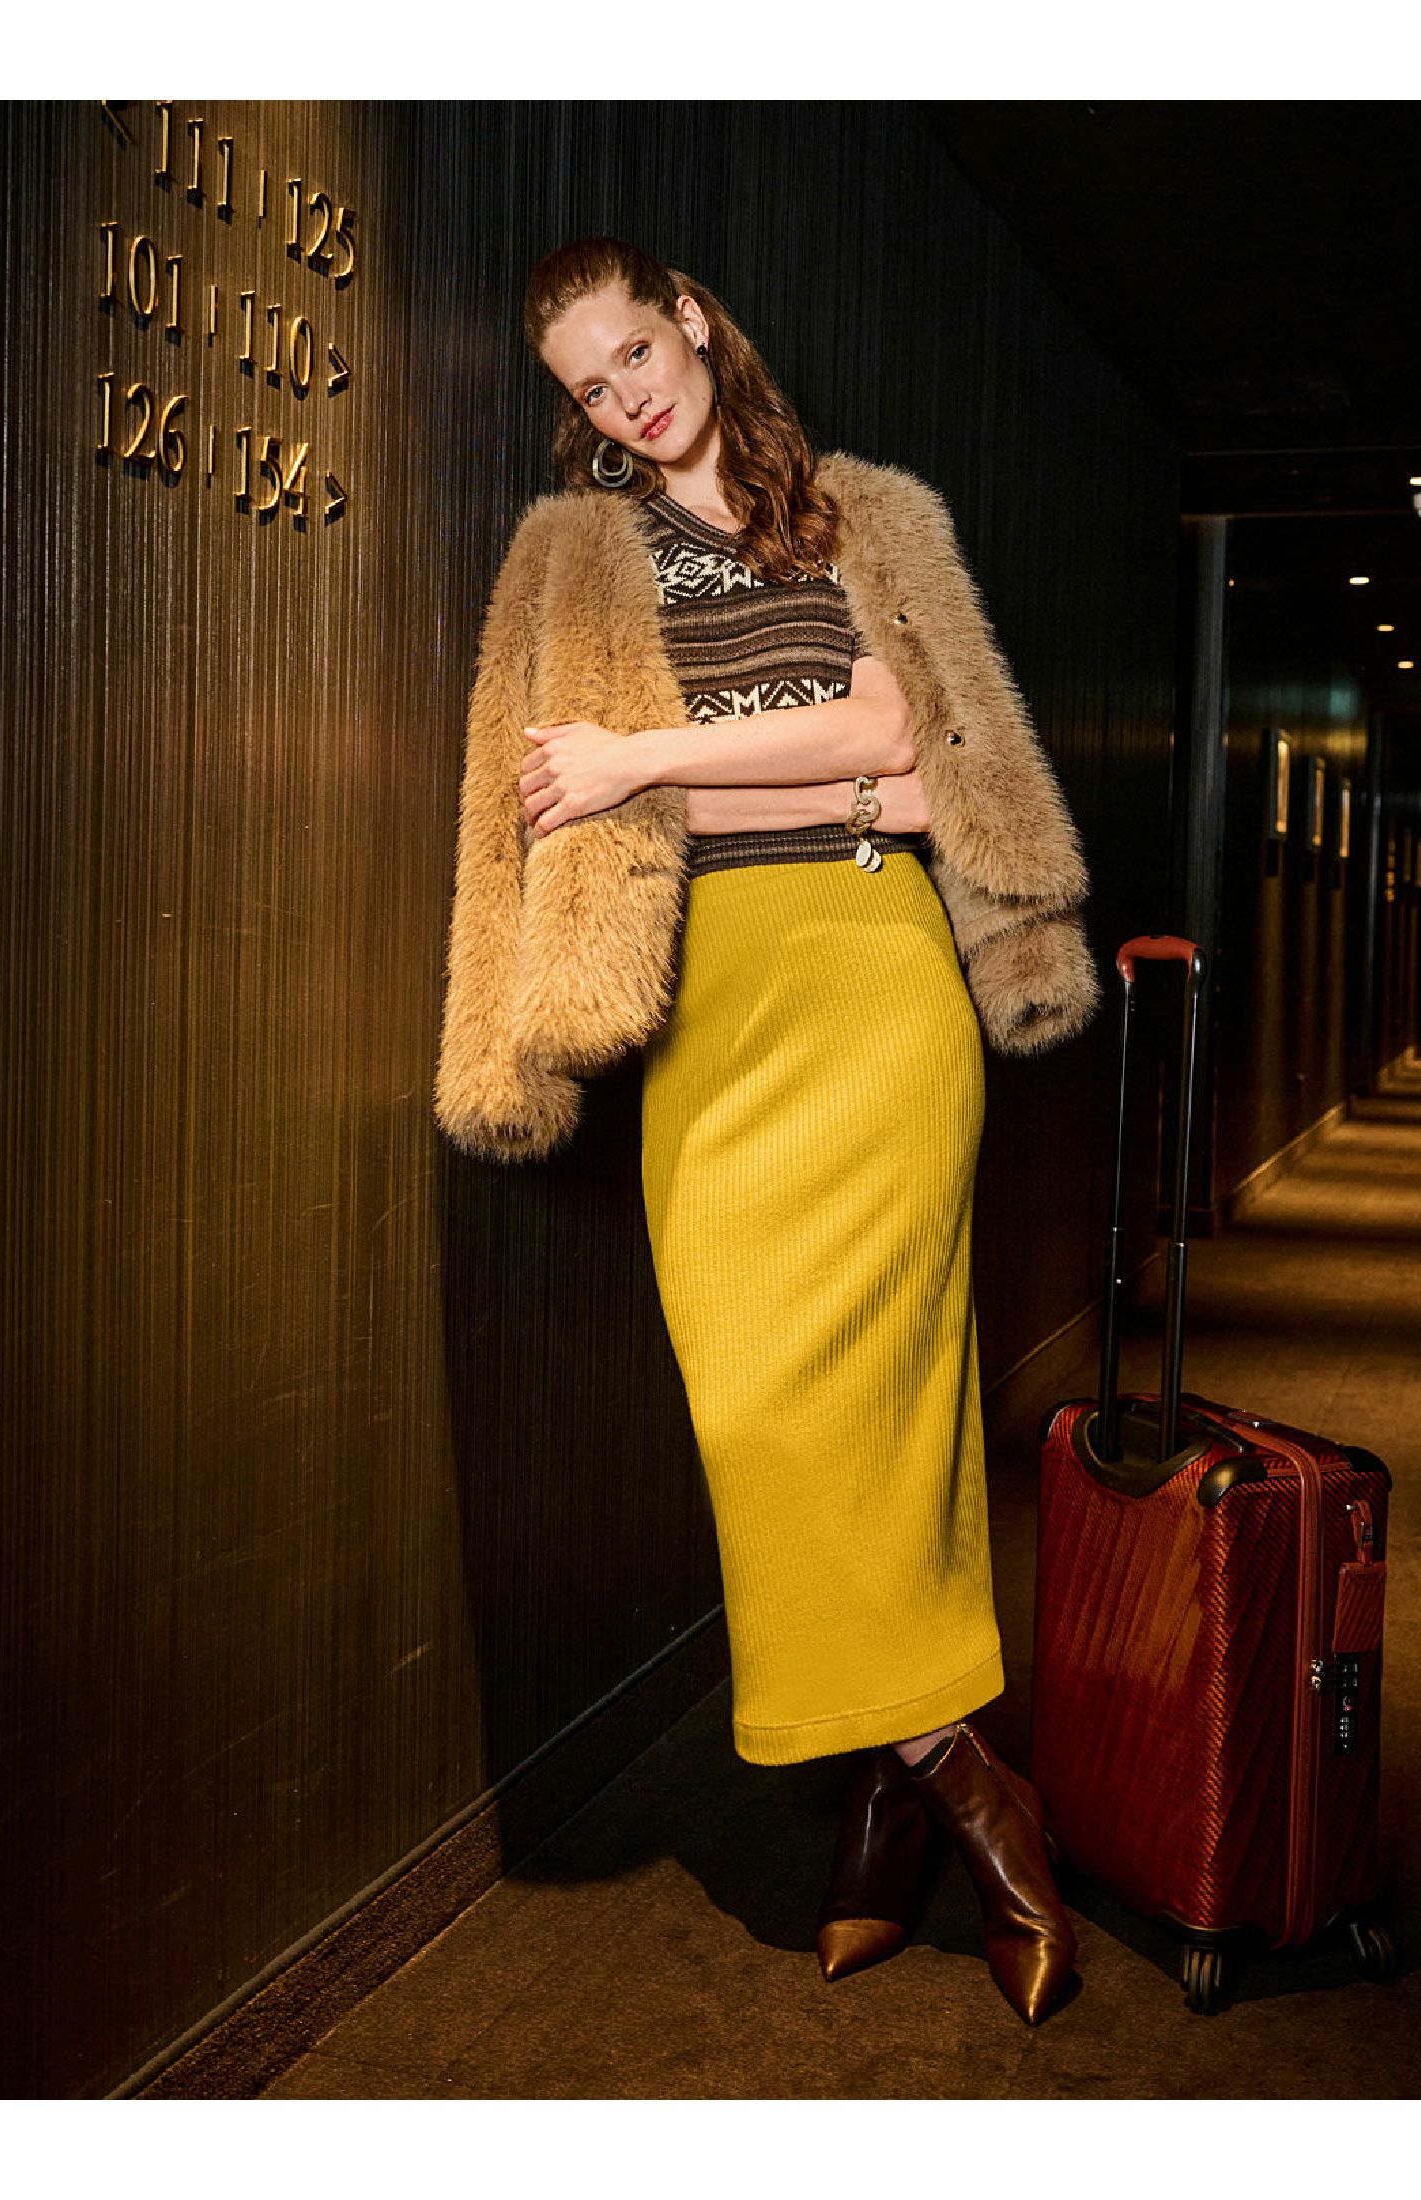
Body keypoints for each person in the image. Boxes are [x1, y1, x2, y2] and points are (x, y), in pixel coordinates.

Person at [435, 236, 1099, 2025]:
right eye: (590, 389)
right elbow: (549, 792)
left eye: (638, 355)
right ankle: (966, 1785)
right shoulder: (576, 558)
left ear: (693, 320)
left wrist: (650, 759)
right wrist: (819, 774)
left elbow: (913, 744)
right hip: (715, 1015)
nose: (627, 400)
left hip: (880, 991)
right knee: (761, 1415)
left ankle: (902, 1818)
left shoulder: (862, 517)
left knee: (891, 1404)